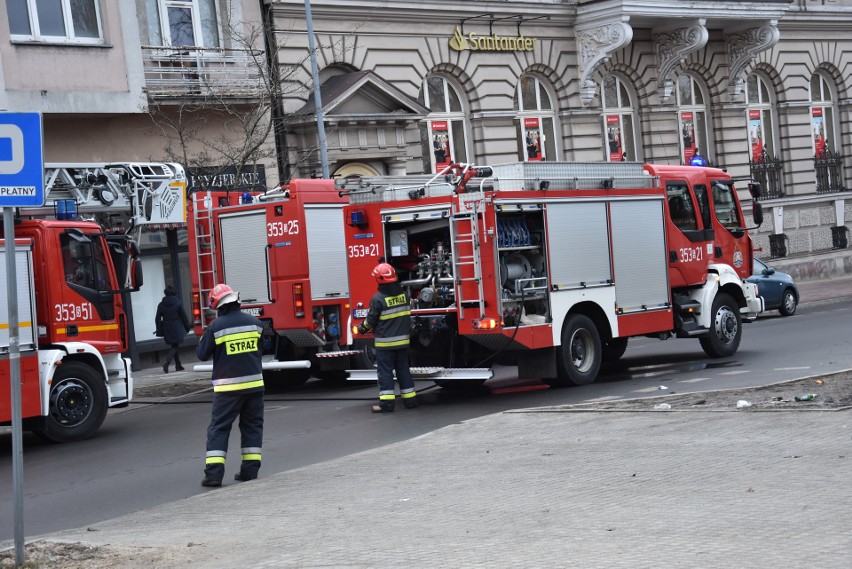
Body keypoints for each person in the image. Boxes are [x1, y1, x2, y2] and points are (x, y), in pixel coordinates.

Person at [196, 283, 265, 487]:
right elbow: (259, 352)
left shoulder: (215, 328)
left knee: (219, 428)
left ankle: (214, 475)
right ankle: (250, 472)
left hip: (228, 390)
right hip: (255, 387)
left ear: (219, 306)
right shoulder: (256, 324)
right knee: (252, 427)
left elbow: (202, 355)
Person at [358, 263, 417, 413]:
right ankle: (410, 401)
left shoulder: (378, 299)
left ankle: (387, 405)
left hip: (385, 346)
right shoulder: (405, 296)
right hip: (403, 343)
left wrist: (361, 328)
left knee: (385, 373)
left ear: (379, 279)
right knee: (403, 371)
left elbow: (371, 321)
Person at [155, 285, 191, 373]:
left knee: (174, 345)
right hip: (176, 327)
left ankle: (178, 365)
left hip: (167, 327)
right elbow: (184, 316)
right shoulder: (178, 303)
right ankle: (167, 363)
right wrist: (187, 327)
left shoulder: (161, 304)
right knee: (175, 346)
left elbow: (157, 318)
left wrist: (159, 330)